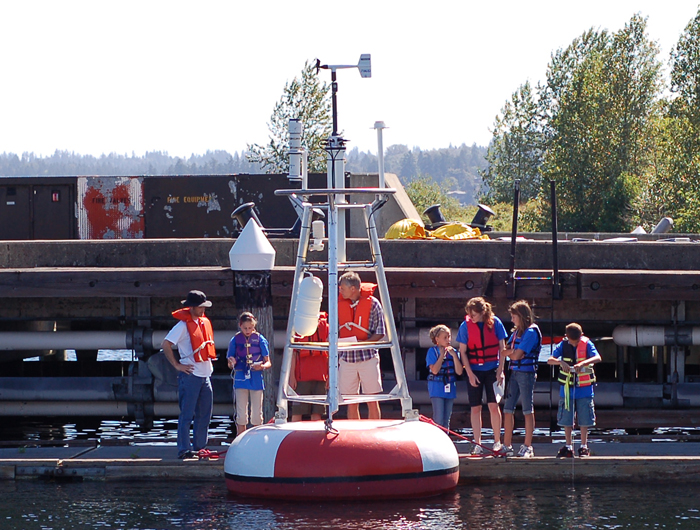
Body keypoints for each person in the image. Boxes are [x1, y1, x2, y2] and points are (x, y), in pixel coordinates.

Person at [162, 290, 217, 459]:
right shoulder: (181, 326)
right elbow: (166, 344)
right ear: (191, 307)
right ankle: (184, 450)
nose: (203, 310)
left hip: (205, 376)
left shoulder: (203, 322)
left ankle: (200, 447)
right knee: (187, 415)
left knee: (204, 415)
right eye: (200, 307)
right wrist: (177, 365)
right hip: (190, 376)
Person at [458, 297, 507, 455]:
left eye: (474, 314)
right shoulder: (465, 326)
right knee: (475, 408)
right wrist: (470, 374)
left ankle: (497, 441)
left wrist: (501, 369)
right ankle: (477, 443)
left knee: (494, 406)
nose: (471, 317)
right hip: (474, 370)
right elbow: (463, 352)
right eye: (470, 314)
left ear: (482, 312)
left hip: (492, 369)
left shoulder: (496, 323)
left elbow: (502, 348)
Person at [548, 323, 602, 457]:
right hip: (567, 389)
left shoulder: (587, 344)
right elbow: (550, 360)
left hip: (584, 389)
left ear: (581, 336)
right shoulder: (562, 345)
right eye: (572, 341)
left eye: (577, 341)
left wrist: (583, 363)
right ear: (566, 337)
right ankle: (568, 446)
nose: (575, 344)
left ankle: (584, 446)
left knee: (585, 418)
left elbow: (598, 357)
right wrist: (560, 362)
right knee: (567, 419)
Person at [338, 271, 385, 420]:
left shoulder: (373, 304)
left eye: (342, 288)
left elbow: (380, 331)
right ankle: (354, 434)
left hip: (368, 357)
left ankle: (374, 432)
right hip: (347, 359)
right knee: (350, 401)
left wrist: (362, 344)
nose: (340, 290)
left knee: (372, 399)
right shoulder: (338, 305)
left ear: (353, 288)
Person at [502, 300, 542, 458]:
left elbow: (517, 355)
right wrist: (513, 352)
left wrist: (512, 353)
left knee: (527, 409)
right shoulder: (516, 332)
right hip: (513, 372)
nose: (512, 319)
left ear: (521, 316)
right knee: (507, 409)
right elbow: (506, 351)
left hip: (526, 374)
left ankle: (527, 446)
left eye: (514, 316)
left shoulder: (531, 332)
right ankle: (507, 445)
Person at [227, 312, 271, 435]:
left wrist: (261, 366)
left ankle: (256, 439)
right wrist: (232, 362)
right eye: (245, 328)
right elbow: (229, 362)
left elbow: (268, 362)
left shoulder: (260, 339)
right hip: (241, 378)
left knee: (257, 412)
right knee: (241, 412)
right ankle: (240, 438)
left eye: (250, 328)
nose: (248, 330)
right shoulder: (235, 340)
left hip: (256, 378)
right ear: (240, 326)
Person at [290, 312, 329, 422]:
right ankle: (294, 438)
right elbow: (293, 353)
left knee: (317, 413)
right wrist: (291, 377)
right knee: (297, 412)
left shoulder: (326, 328)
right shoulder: (297, 328)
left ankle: (315, 437)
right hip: (301, 378)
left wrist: (330, 376)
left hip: (320, 377)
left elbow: (330, 354)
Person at [426, 324, 463, 430]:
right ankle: (436, 441)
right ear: (437, 339)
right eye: (445, 338)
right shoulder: (432, 352)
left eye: (449, 337)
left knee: (447, 419)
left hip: (450, 388)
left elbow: (459, 372)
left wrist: (455, 356)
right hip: (437, 388)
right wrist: (442, 355)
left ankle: (445, 439)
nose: (448, 340)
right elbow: (435, 370)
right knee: (438, 418)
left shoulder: (454, 352)